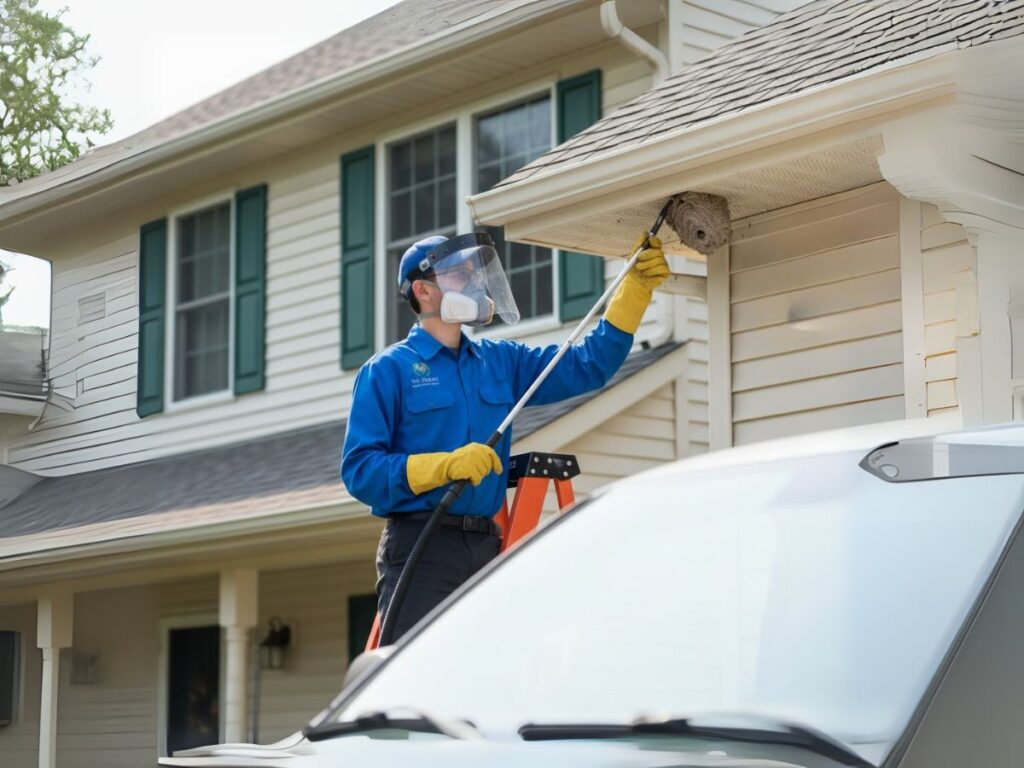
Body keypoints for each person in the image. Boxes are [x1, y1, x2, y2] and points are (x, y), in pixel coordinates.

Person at [341, 231, 668, 640]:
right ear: (423, 290)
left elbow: (588, 366)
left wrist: (634, 290)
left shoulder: (501, 361)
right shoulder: (388, 369)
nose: (472, 282)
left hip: (487, 545)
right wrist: (445, 466)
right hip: (421, 546)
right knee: (415, 684)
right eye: (457, 275)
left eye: (470, 272)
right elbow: (360, 471)